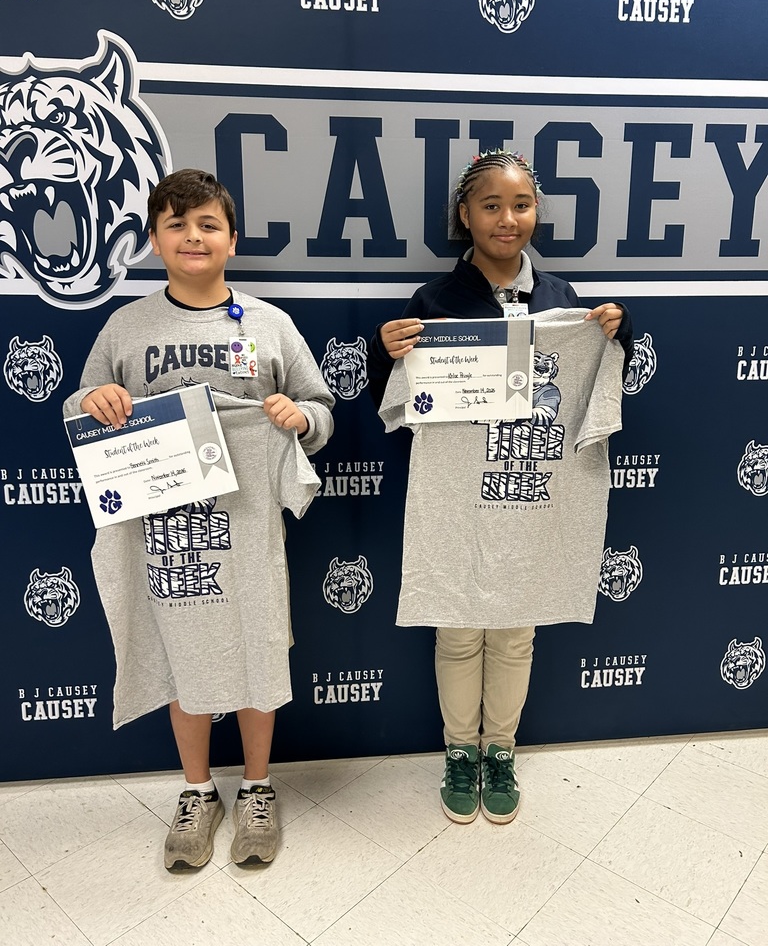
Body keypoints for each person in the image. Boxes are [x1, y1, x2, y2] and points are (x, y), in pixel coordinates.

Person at [62, 169, 334, 869]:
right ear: (154, 240)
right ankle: (195, 792)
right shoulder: (127, 326)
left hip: (246, 534)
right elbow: (79, 402)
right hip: (164, 537)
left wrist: (299, 417)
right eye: (176, 224)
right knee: (180, 657)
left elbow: (321, 407)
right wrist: (95, 403)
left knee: (255, 653)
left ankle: (257, 788)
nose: (193, 236)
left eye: (207, 224)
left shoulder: (270, 324)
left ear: (231, 240)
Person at [367, 150, 632, 825]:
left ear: (536, 212)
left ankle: (501, 750)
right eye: (491, 205)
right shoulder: (435, 303)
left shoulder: (566, 303)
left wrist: (616, 336)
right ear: (466, 215)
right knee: (457, 632)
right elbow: (395, 406)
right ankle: (461, 752)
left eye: (520, 205)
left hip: (531, 500)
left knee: (516, 634)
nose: (507, 219)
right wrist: (388, 351)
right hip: (459, 503)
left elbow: (598, 392)